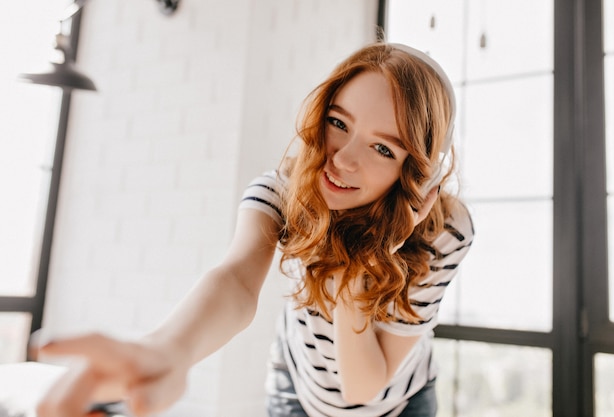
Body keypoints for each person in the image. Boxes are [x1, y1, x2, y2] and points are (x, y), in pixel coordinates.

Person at [34, 42, 474, 417]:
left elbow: (363, 388)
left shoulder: (442, 231)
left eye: (382, 148)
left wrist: (361, 267)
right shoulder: (288, 191)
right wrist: (169, 349)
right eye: (338, 123)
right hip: (296, 391)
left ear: (417, 171)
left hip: (400, 403)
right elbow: (236, 280)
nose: (342, 159)